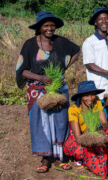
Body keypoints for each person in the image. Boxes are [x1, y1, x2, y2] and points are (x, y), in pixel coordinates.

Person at [15, 11, 80, 173]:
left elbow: (77, 50)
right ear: (39, 27)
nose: (50, 28)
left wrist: (65, 67)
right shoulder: (29, 44)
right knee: (41, 123)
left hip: (59, 88)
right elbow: (22, 70)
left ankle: (59, 157)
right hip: (37, 90)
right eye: (45, 25)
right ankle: (45, 158)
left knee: (60, 121)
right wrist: (40, 78)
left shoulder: (61, 42)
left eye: (52, 25)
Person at [63, 81, 108, 178]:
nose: (90, 98)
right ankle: (82, 158)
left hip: (94, 133)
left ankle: (97, 153)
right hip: (79, 139)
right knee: (80, 149)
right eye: (86, 96)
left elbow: (104, 124)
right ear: (80, 96)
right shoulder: (73, 109)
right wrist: (90, 136)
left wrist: (96, 133)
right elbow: (78, 137)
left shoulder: (96, 101)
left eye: (92, 95)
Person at [82, 7, 108, 132]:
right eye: (100, 19)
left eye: (106, 18)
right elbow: (89, 64)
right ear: (95, 22)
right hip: (98, 87)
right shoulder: (89, 42)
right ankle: (103, 148)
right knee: (101, 120)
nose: (104, 21)